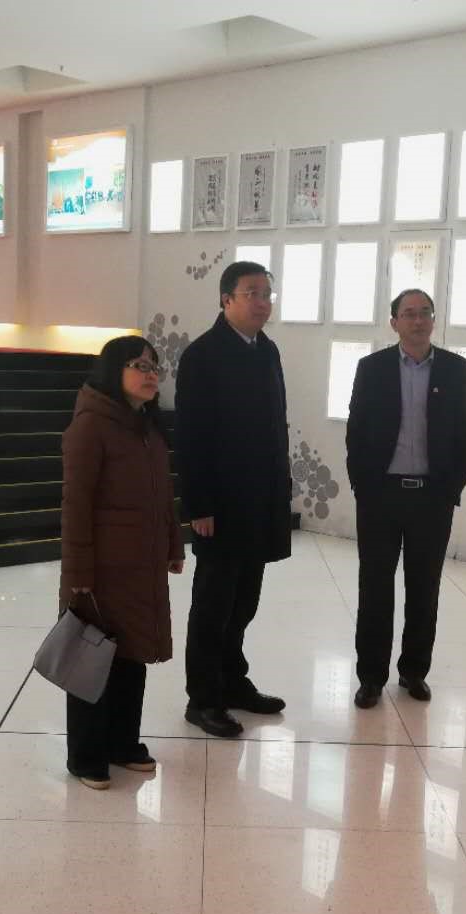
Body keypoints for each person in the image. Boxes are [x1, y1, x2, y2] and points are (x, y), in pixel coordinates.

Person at [59, 336, 185, 788]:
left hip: (141, 565)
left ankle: (122, 742)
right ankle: (85, 755)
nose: (150, 374)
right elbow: (76, 506)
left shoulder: (147, 427)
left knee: (133, 655)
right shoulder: (90, 426)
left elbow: (163, 495)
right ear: (114, 371)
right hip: (101, 570)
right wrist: (78, 573)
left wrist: (173, 544)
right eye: (138, 365)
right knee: (92, 661)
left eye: (154, 366)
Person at [176, 260, 292, 738]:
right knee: (213, 605)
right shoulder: (203, 355)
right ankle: (203, 698)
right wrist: (199, 505)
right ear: (226, 299)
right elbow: (191, 436)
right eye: (252, 293)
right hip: (220, 505)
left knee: (244, 601)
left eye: (267, 293)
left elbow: (275, 428)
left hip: (260, 501)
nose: (263, 302)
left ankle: (233, 682)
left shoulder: (267, 350)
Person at [346, 288, 466, 708]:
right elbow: (356, 431)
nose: (418, 321)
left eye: (425, 313)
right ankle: (370, 677)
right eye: (409, 314)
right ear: (394, 322)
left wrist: (450, 490)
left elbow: (465, 436)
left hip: (431, 499)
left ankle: (414, 671)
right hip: (381, 496)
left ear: (433, 320)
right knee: (375, 587)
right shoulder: (372, 368)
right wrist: (363, 487)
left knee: (424, 588)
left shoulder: (456, 370)